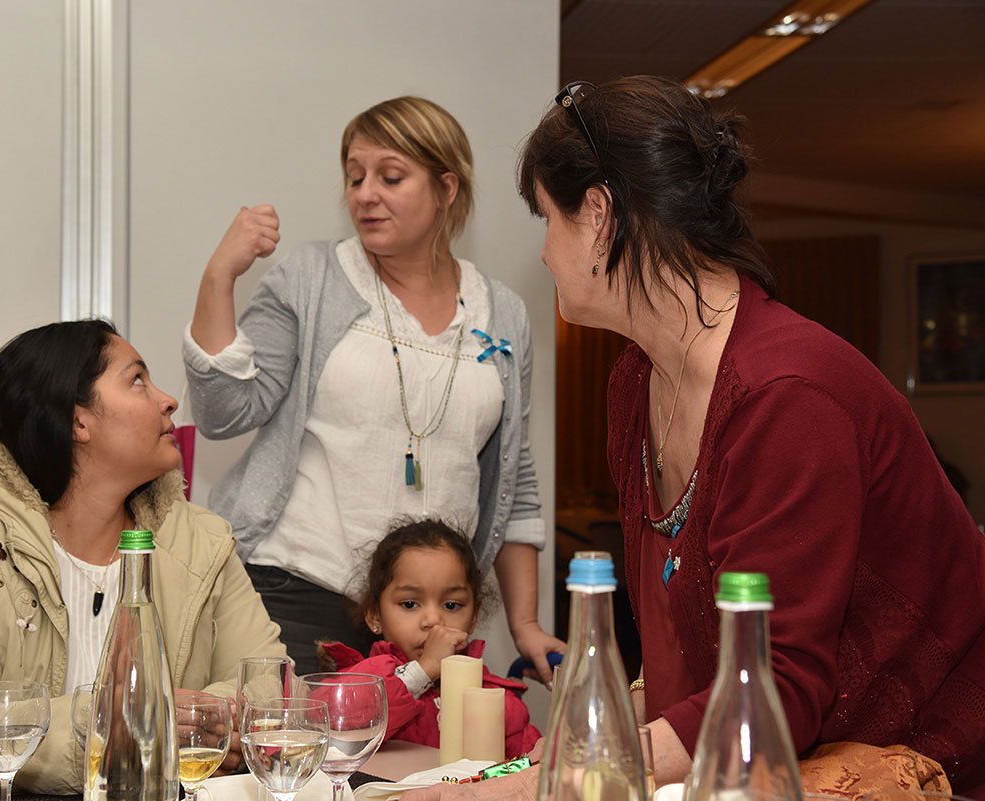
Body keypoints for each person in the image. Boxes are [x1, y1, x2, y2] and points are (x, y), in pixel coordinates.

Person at [408, 75, 985, 801]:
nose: (547, 252)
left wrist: (528, 788)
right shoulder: (635, 380)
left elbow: (777, 687)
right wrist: (565, 754)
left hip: (926, 762)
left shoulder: (789, 396)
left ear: (599, 215)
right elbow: (687, 656)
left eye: (548, 219)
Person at [184, 96, 562, 678]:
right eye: (355, 176)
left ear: (446, 188)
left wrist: (526, 623)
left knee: (425, 745)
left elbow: (516, 479)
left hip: (430, 618)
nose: (364, 194)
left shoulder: (503, 312)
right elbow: (224, 412)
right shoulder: (310, 279)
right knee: (297, 741)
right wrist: (218, 277)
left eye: (390, 176)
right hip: (298, 593)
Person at [0, 320, 285, 796]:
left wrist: (202, 722)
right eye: (137, 380)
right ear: (77, 422)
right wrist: (107, 725)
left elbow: (264, 681)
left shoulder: (202, 542)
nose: (169, 400)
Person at [318, 518, 541, 758]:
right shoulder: (362, 679)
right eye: (410, 604)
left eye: (452, 605)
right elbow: (329, 722)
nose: (434, 620)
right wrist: (424, 670)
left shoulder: (495, 697)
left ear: (473, 617)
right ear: (375, 616)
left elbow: (530, 765)